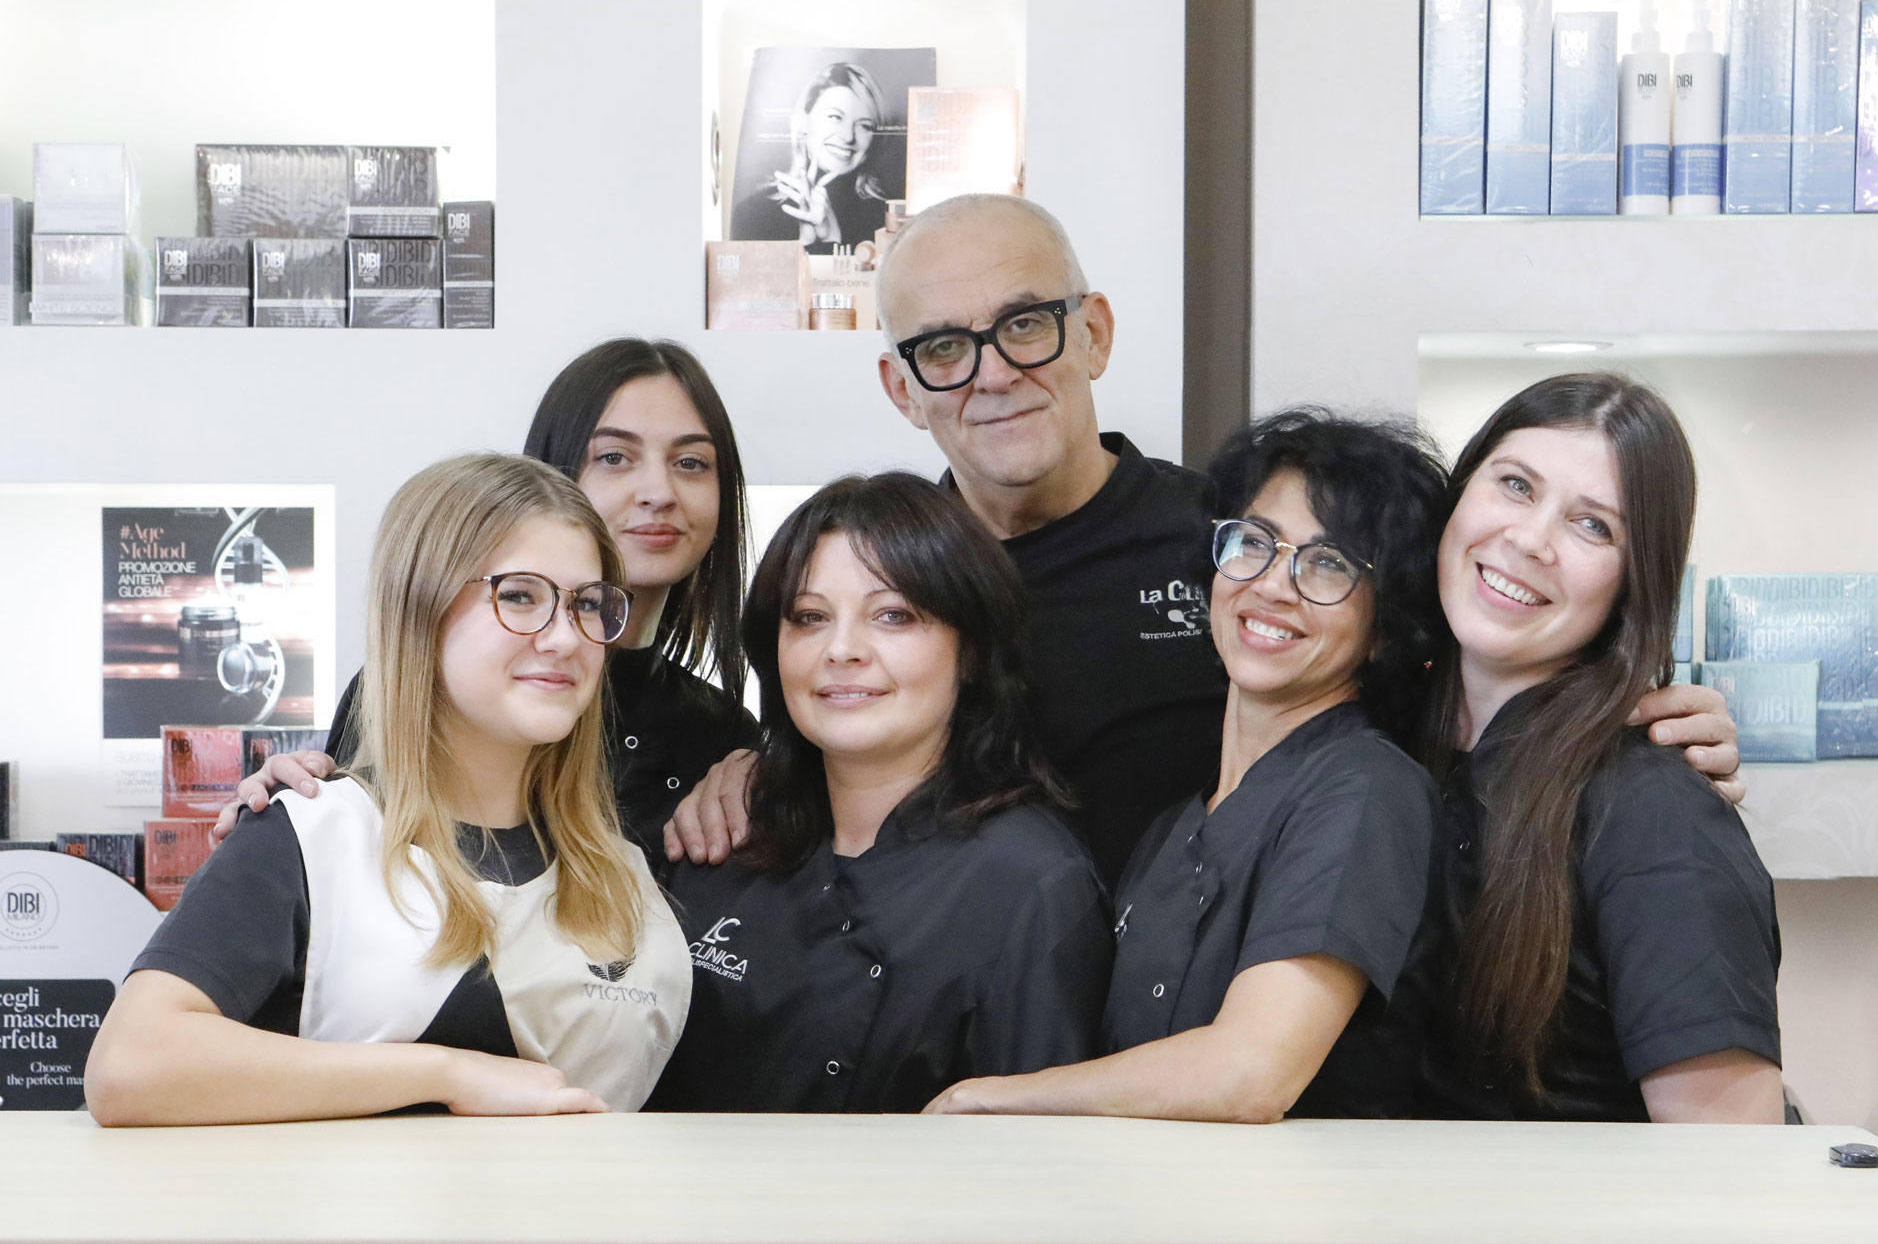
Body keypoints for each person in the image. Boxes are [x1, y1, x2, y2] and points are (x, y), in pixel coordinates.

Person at [667, 193, 1746, 890]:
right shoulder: (879, 580)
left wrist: (1615, 717)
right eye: (944, 347)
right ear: (900, 387)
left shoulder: (1236, 547)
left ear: (1094, 332)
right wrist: (759, 766)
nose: (992, 372)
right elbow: (833, 770)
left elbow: (1444, 693)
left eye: (1026, 324)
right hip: (953, 1021)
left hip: (1236, 1020)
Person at [85, 454, 691, 1125]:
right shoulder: (315, 834)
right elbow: (129, 1063)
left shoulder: (624, 874)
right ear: (419, 609)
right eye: (521, 596)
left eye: (587, 604)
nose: (565, 637)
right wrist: (446, 1073)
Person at [926, 412, 1446, 1121]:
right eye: (1254, 542)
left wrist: (989, 1097)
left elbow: (1250, 1072)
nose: (1272, 585)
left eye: (1327, 563)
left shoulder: (1364, 791)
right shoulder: (1180, 823)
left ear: (1386, 627)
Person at [647, 472, 1112, 1112]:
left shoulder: (1031, 882)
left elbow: (1037, 1151)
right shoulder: (721, 837)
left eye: (892, 615)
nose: (842, 650)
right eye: (809, 618)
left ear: (972, 650)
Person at [1411, 374, 1783, 1124]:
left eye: (1592, 526)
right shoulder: (1387, 742)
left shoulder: (1654, 812)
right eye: (1516, 485)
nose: (1529, 540)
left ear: (1633, 583)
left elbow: (1733, 1160)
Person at [222, 339, 759, 856]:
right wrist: (290, 817)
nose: (659, 493)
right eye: (615, 457)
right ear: (551, 476)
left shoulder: (725, 736)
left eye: (691, 462)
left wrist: (775, 774)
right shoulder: (433, 685)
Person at [731, 62, 890, 253]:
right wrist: (806, 243)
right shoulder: (752, 213)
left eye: (864, 126)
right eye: (835, 117)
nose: (848, 136)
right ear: (804, 121)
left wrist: (832, 239)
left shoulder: (886, 222)